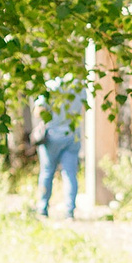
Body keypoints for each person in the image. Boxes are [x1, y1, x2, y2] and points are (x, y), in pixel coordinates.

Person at [37, 81, 85, 218]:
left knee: (47, 172)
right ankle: (69, 211)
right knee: (70, 174)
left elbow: (39, 110)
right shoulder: (79, 87)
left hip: (52, 136)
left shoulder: (50, 86)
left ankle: (42, 208)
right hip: (72, 135)